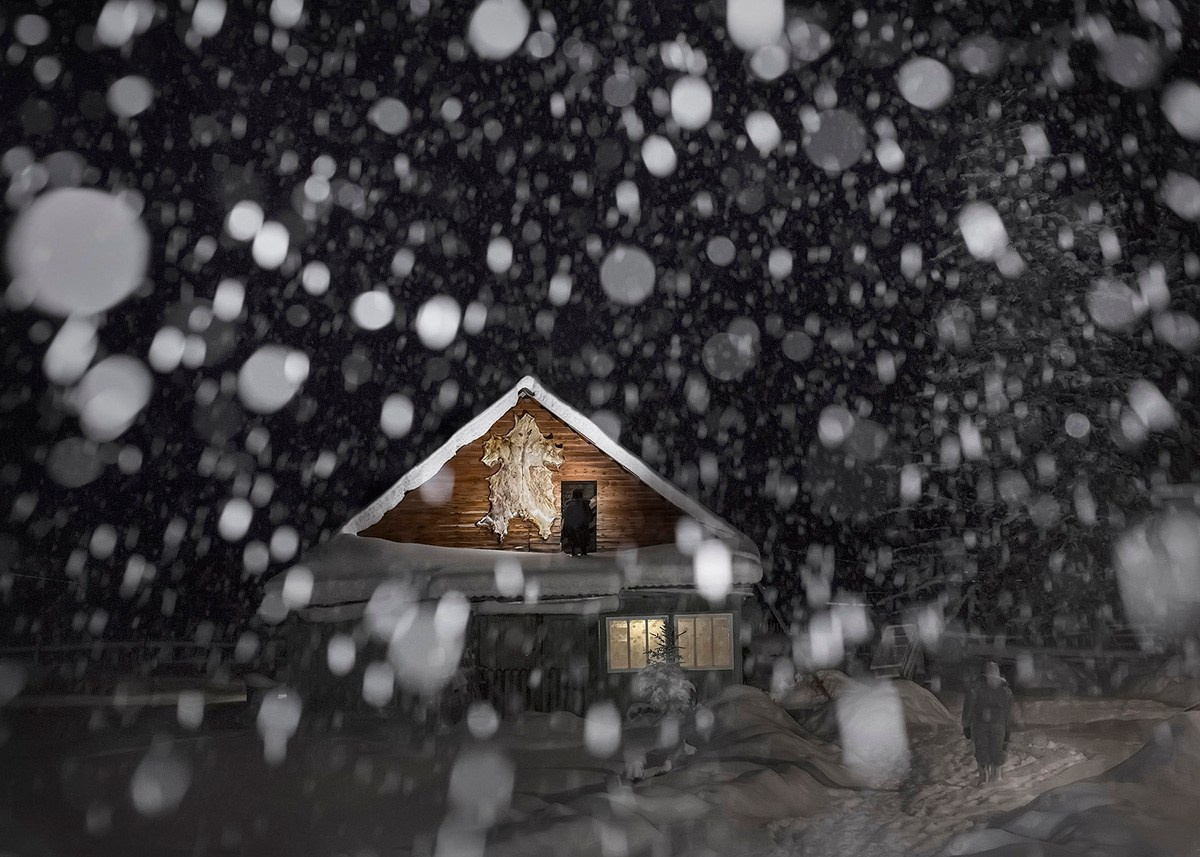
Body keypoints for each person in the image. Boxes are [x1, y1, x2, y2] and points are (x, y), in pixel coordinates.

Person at [962, 660, 1014, 784]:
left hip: (980, 725)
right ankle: (997, 776)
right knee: (997, 749)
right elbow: (1008, 714)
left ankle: (983, 777)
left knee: (981, 749)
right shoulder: (1005, 691)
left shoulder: (976, 687)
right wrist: (1007, 731)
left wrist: (966, 724)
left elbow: (969, 706)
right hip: (998, 725)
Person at [561, 488, 592, 557]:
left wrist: (566, 526)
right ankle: (584, 552)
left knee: (573, 539)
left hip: (572, 525)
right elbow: (589, 515)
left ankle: (573, 552)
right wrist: (587, 521)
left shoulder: (570, 505)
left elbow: (567, 515)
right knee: (583, 538)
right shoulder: (585, 504)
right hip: (583, 525)